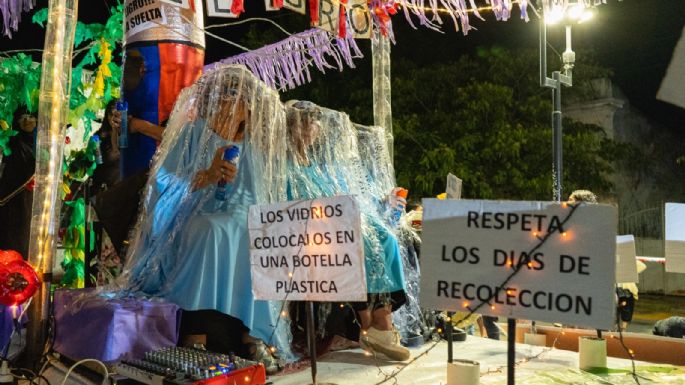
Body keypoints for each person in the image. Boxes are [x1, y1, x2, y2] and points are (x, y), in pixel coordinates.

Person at [119, 65, 292, 370]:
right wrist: (208, 176)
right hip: (194, 212)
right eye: (227, 97)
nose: (233, 105)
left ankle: (255, 337)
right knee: (210, 230)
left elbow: (259, 195)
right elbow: (163, 185)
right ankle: (195, 335)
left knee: (263, 234)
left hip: (240, 215)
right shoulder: (192, 134)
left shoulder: (252, 145)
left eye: (240, 100)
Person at [285, 101, 410, 361]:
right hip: (310, 228)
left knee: (384, 237)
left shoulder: (320, 165)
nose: (311, 129)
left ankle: (381, 319)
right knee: (359, 239)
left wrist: (382, 204)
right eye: (304, 123)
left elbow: (346, 196)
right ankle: (369, 324)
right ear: (291, 127)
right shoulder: (283, 165)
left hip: (336, 222)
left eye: (314, 123)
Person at [0, 107, 37, 258]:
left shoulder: (35, 143)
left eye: (31, 116)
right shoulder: (13, 143)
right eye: (23, 118)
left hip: (29, 203)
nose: (28, 121)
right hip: (13, 204)